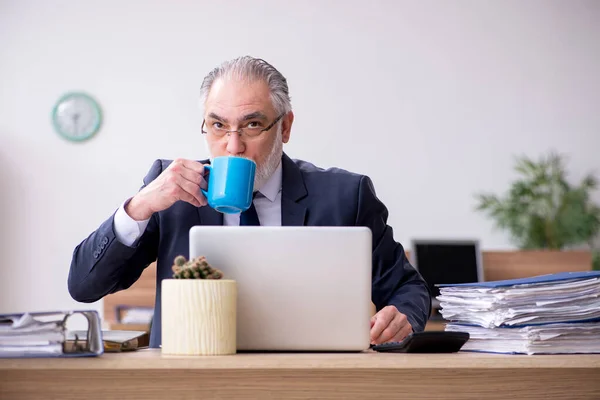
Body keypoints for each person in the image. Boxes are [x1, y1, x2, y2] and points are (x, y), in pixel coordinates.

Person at [68, 56, 431, 349]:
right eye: (218, 125)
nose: (233, 145)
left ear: (285, 128)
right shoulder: (170, 193)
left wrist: (402, 316)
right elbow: (84, 286)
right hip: (189, 382)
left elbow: (409, 288)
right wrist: (139, 207)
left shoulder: (345, 196)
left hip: (309, 379)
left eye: (252, 124)